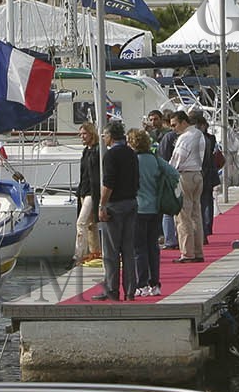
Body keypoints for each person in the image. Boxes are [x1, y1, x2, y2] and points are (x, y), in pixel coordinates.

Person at [91, 122, 139, 302]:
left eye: (104, 135)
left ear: (110, 136)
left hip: (115, 205)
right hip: (131, 202)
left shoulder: (111, 155)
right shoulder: (131, 153)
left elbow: (108, 183)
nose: (103, 138)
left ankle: (111, 289)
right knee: (128, 250)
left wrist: (102, 205)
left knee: (111, 251)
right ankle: (130, 290)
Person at [129, 128, 172, 298]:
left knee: (139, 248)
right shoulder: (155, 159)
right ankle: (155, 284)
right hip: (155, 207)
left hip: (139, 208)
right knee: (153, 247)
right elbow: (172, 173)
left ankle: (142, 284)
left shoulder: (133, 161)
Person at [167, 111, 205, 263]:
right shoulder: (199, 134)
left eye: (174, 125)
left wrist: (168, 172)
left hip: (184, 176)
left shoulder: (185, 137)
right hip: (197, 174)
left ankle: (187, 253)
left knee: (183, 216)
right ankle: (198, 251)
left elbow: (177, 159)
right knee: (196, 215)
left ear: (183, 122)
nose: (173, 128)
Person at [73, 122, 102, 265]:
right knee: (91, 224)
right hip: (84, 190)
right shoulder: (86, 151)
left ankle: (78, 255)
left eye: (84, 133)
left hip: (92, 191)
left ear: (91, 133)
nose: (82, 136)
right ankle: (94, 251)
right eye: (81, 134)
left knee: (81, 222)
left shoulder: (97, 151)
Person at [193, 111, 218, 240]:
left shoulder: (204, 139)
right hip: (209, 173)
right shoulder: (210, 138)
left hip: (204, 173)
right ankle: (207, 227)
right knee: (206, 201)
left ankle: (206, 227)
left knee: (204, 202)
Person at [157, 112, 180, 253]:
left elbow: (163, 157)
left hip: (171, 178)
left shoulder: (169, 137)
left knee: (167, 212)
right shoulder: (190, 136)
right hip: (185, 176)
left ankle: (170, 239)